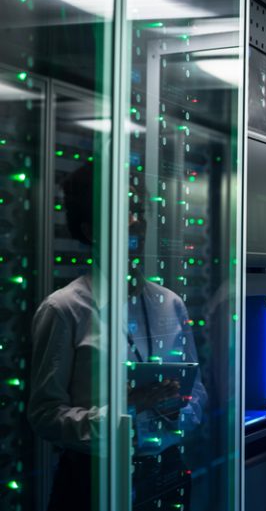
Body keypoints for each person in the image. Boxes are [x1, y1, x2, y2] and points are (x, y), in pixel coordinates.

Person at [27, 165, 206, 511]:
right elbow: (45, 416)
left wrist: (176, 409)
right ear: (91, 229)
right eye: (125, 211)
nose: (137, 221)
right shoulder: (65, 309)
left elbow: (198, 392)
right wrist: (126, 409)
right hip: (93, 480)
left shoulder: (170, 303)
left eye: (139, 210)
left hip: (166, 472)